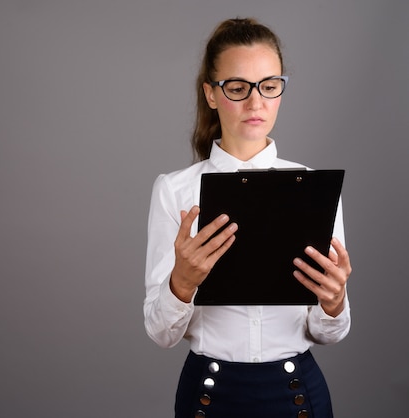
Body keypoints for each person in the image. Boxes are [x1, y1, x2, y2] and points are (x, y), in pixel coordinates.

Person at [144, 18, 352, 418]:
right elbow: (160, 333)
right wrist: (181, 283)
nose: (256, 103)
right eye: (238, 88)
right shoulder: (175, 190)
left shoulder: (313, 188)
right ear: (211, 93)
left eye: (269, 86)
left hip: (298, 397)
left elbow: (331, 332)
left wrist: (334, 300)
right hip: (208, 396)